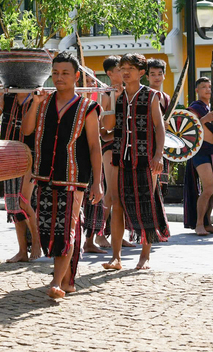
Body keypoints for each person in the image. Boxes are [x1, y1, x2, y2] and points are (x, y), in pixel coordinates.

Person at [22, 52, 102, 299]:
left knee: (66, 228)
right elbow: (26, 131)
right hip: (45, 175)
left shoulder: (87, 107)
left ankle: (56, 282)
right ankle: (67, 280)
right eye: (55, 73)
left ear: (76, 76)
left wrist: (97, 183)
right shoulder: (42, 103)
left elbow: (94, 147)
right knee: (48, 229)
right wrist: (34, 104)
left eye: (65, 73)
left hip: (74, 177)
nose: (59, 77)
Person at [105, 54, 168, 271]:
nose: (125, 71)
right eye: (122, 67)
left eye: (130, 68)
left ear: (141, 72)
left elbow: (160, 128)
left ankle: (145, 256)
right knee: (117, 204)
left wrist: (158, 155)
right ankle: (116, 257)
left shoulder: (151, 96)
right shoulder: (118, 96)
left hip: (145, 159)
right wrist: (112, 99)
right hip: (121, 158)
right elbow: (108, 126)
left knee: (146, 204)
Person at [0, 90, 41, 263]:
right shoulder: (7, 97)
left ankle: (36, 240)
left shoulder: (38, 98)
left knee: (23, 200)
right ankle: (22, 251)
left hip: (31, 153)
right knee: (13, 204)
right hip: (8, 153)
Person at [101, 55, 133, 271]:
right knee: (112, 195)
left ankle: (118, 236)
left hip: (130, 149)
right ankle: (97, 233)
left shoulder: (133, 93)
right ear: (110, 74)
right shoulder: (106, 95)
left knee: (123, 196)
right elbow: (104, 131)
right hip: (111, 147)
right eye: (118, 70)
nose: (122, 74)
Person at [183, 77, 213, 236]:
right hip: (200, 152)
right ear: (197, 90)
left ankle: (207, 223)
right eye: (203, 87)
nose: (207, 89)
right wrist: (203, 119)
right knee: (208, 187)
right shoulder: (194, 108)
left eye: (209, 87)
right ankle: (198, 224)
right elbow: (187, 128)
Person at [80, 72, 108, 254]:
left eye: (92, 81)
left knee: (94, 200)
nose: (91, 84)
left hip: (93, 154)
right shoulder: (74, 104)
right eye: (86, 81)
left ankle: (89, 241)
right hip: (76, 155)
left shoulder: (95, 105)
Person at [147, 59, 171, 195]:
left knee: (160, 189)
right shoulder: (144, 95)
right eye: (152, 74)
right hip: (148, 144)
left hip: (162, 145)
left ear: (164, 75)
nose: (156, 77)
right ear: (147, 76)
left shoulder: (166, 98)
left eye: (159, 74)